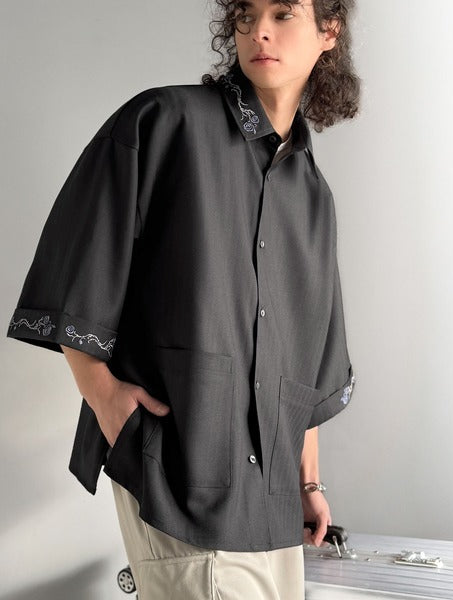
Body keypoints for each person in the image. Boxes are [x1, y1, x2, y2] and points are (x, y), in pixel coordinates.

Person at [6, 0, 360, 597]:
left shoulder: (313, 195)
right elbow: (79, 268)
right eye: (246, 12)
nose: (260, 31)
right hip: (176, 473)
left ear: (329, 30)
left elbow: (306, 357)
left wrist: (307, 484)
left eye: (283, 13)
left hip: (273, 503)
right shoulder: (164, 123)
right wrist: (106, 399)